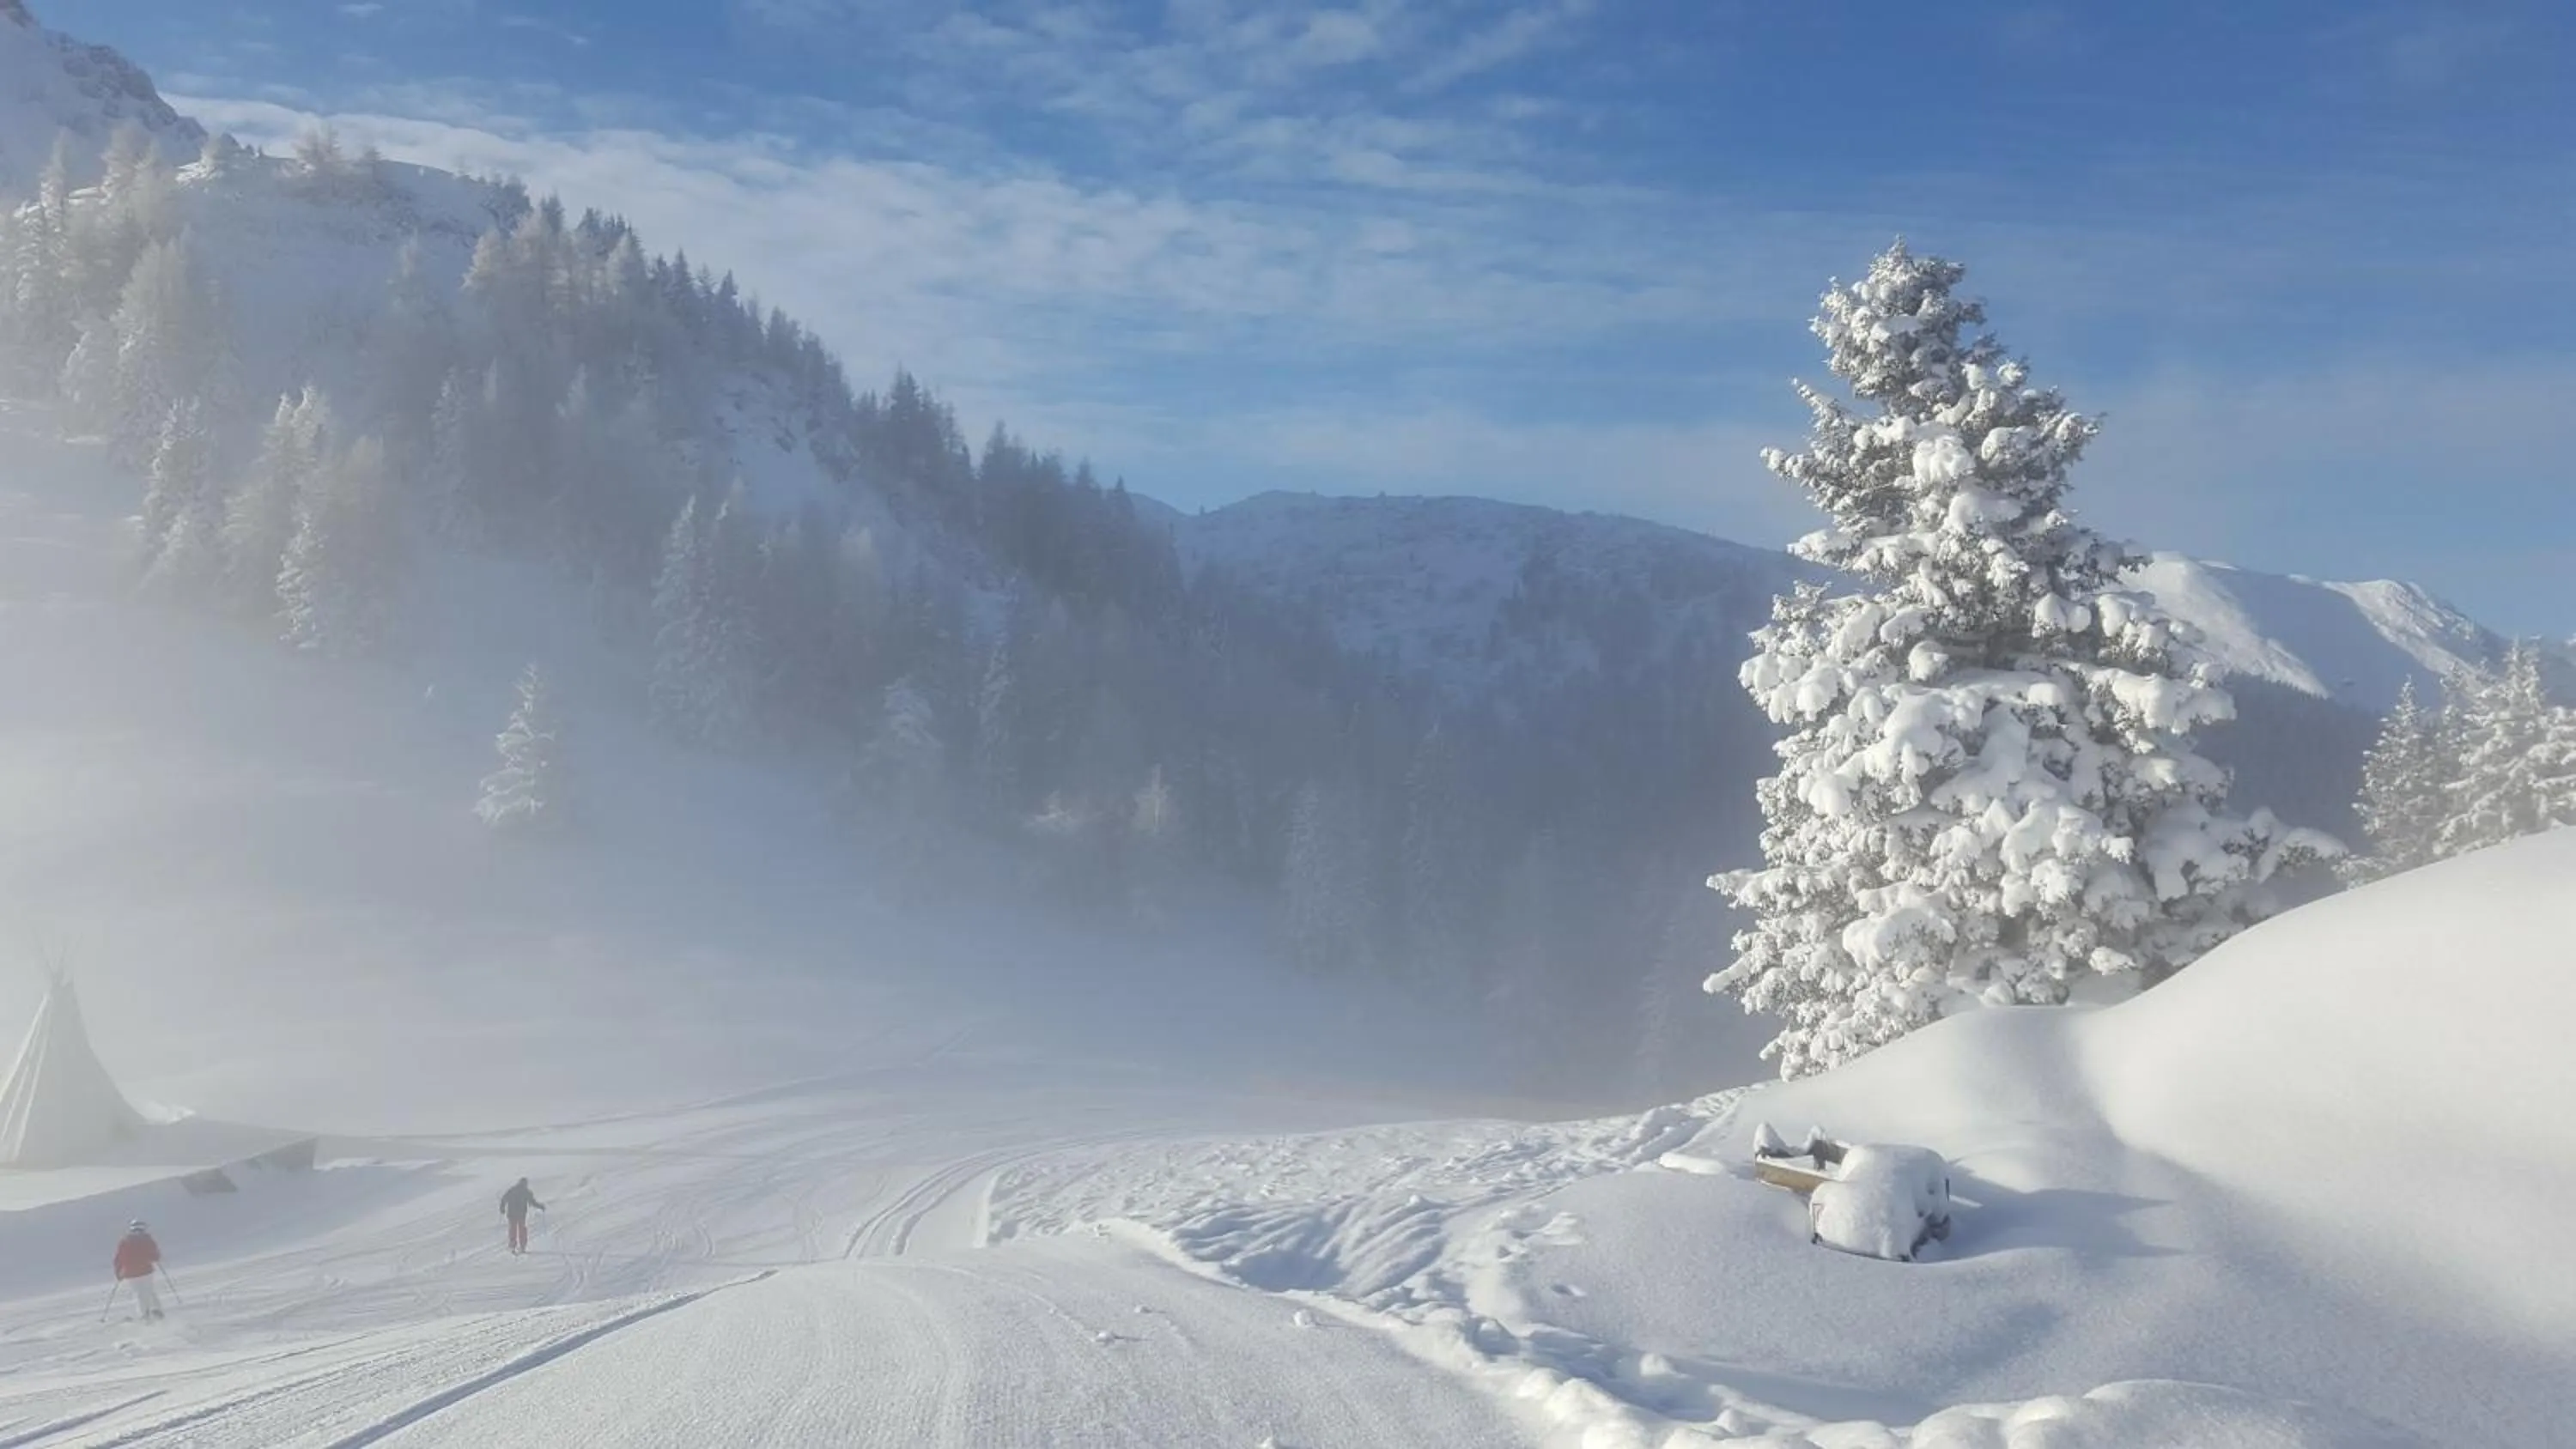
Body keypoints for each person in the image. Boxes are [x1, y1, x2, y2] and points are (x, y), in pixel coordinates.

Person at [113, 1221, 164, 1321]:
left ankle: (144, 1314)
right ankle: (156, 1310)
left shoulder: (124, 1241)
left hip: (131, 1273)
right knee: (149, 1291)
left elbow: (118, 1259)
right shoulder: (147, 1240)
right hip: (146, 1271)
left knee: (139, 1293)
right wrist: (155, 1258)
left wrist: (118, 1273)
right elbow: (155, 1256)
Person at [500, 1178, 546, 1255]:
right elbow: (532, 1202)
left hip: (512, 1214)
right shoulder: (526, 1192)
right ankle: (522, 1246)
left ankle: (513, 1245)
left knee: (513, 1229)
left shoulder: (512, 1190)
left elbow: (504, 1199)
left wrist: (502, 1208)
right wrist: (540, 1206)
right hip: (521, 1214)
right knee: (522, 1229)